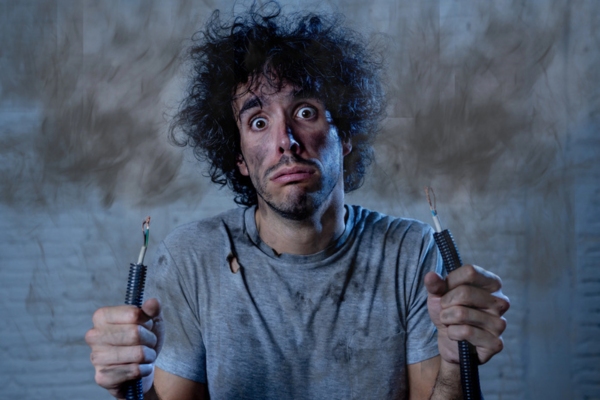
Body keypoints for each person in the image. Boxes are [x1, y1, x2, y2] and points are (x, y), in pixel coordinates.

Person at [85, 4, 509, 399]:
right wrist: (132, 387)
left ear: (345, 136)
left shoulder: (411, 253)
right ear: (240, 159)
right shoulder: (192, 258)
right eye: (257, 121)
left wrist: (456, 364)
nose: (284, 142)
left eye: (305, 112)